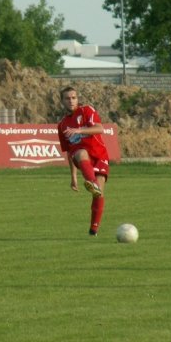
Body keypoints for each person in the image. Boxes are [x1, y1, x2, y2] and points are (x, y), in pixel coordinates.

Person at [57, 86, 110, 236]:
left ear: (77, 99)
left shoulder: (86, 110)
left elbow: (100, 128)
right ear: (62, 101)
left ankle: (93, 229)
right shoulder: (62, 125)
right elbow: (68, 151)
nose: (71, 101)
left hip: (100, 156)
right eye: (67, 98)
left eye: (74, 98)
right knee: (80, 152)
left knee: (98, 194)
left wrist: (79, 130)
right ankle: (91, 182)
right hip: (80, 156)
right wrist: (73, 176)